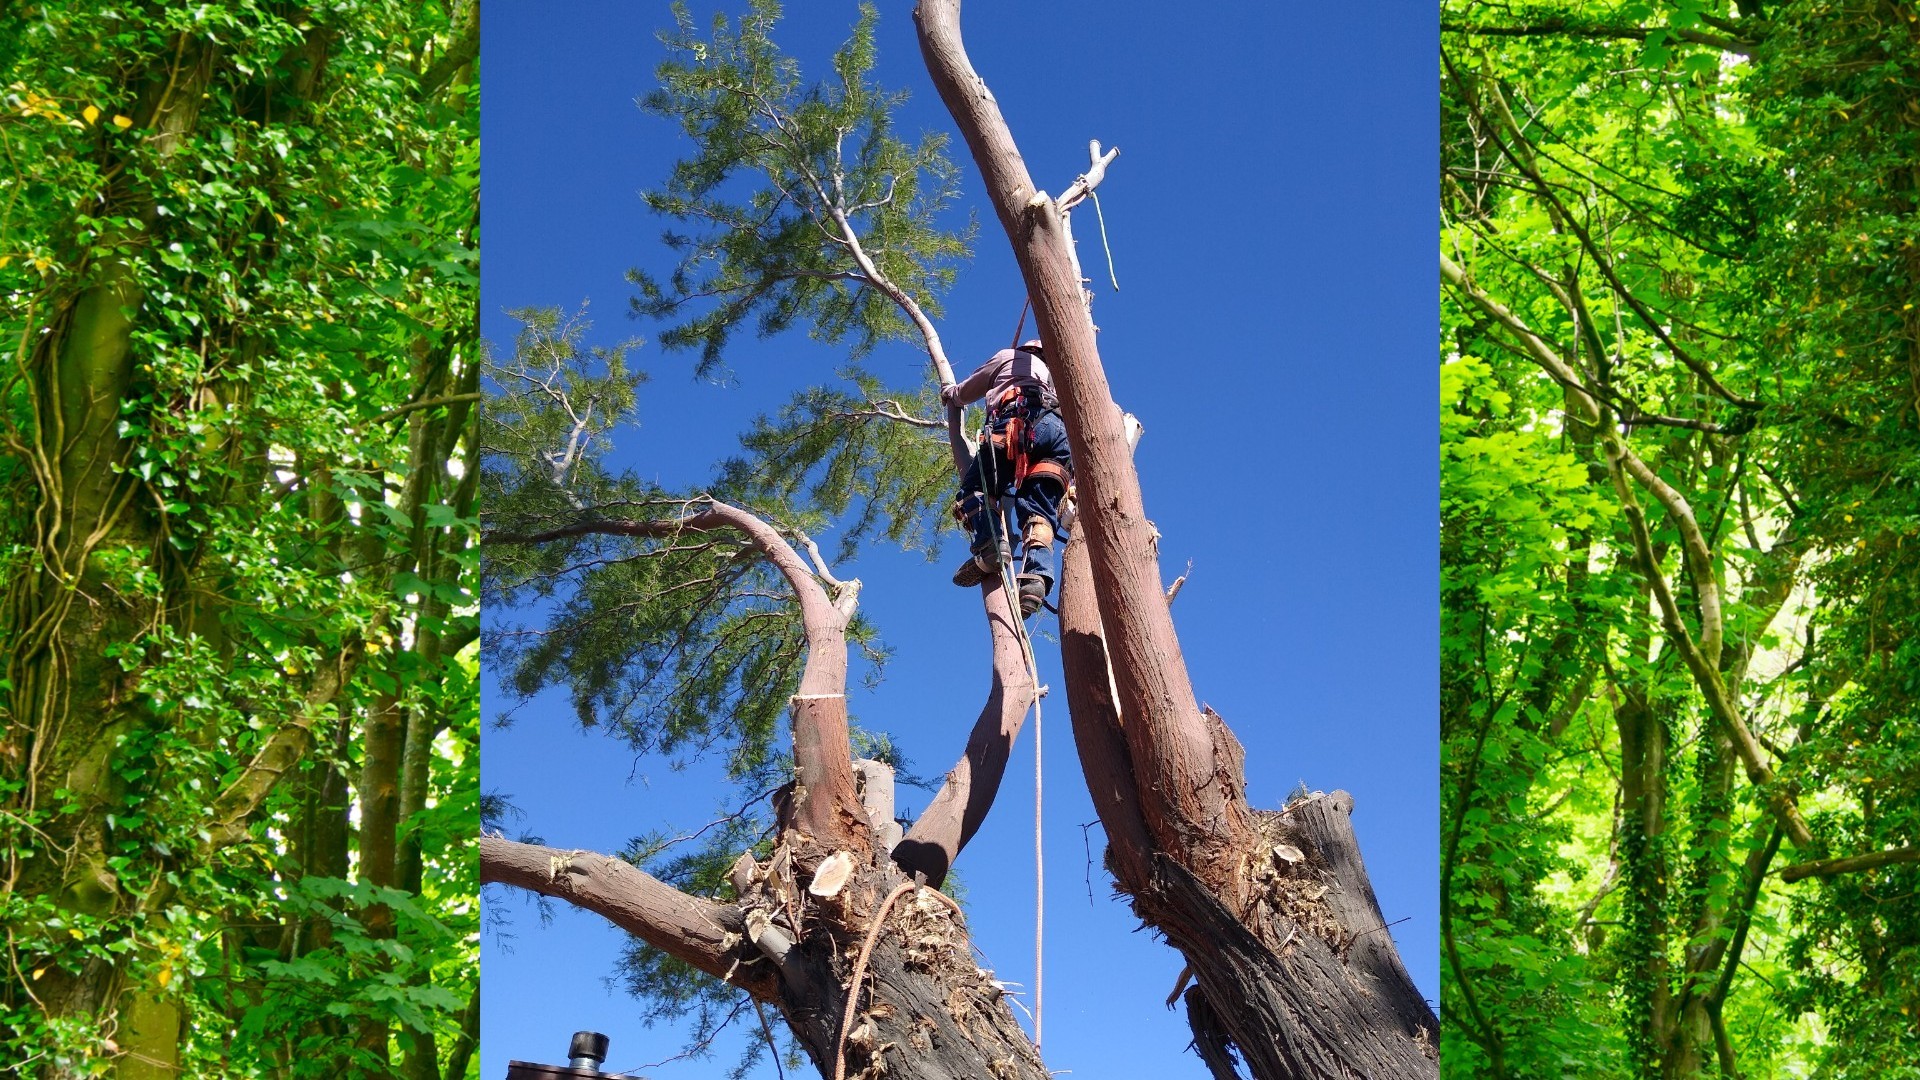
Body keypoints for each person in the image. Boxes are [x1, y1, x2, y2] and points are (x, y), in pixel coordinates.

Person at [942, 339, 1072, 618]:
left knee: (975, 489)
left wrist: (951, 394)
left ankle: (990, 547)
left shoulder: (1010, 357)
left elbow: (967, 390)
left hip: (1019, 420)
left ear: (1026, 350)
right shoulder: (1054, 380)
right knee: (1039, 512)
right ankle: (1035, 580)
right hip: (1058, 435)